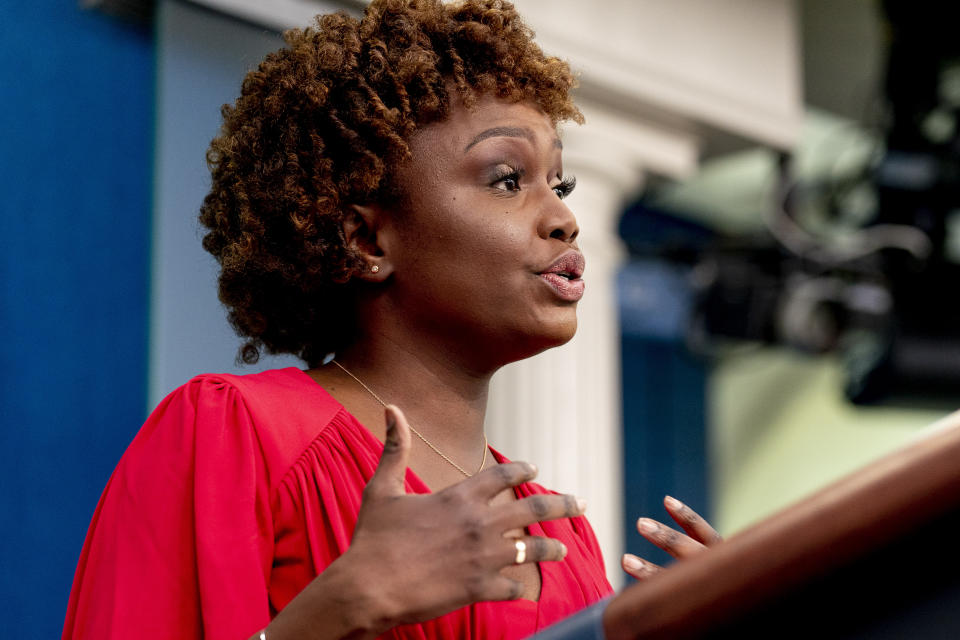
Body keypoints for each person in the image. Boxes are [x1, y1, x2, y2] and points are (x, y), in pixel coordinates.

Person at [63, 1, 720, 638]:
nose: (563, 217)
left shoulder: (565, 547)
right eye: (506, 178)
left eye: (559, 183)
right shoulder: (232, 435)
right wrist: (345, 606)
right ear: (367, 241)